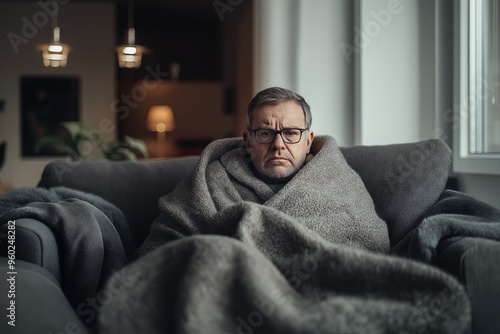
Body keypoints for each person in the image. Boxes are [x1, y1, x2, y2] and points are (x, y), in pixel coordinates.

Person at [137, 86, 389, 257]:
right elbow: (160, 246)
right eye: (266, 133)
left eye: (291, 133)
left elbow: (371, 241)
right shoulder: (211, 180)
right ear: (248, 140)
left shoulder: (338, 180)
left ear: (308, 140)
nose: (278, 144)